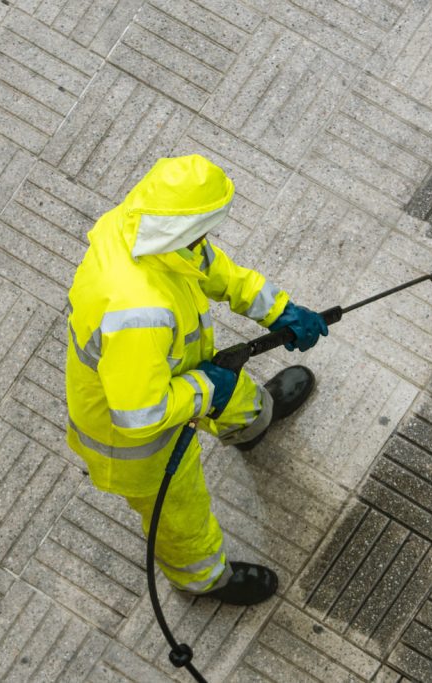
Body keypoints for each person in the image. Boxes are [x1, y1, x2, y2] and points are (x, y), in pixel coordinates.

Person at [65, 155, 327, 605]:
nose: (207, 239)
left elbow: (206, 265)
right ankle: (203, 579)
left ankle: (250, 426)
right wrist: (208, 389)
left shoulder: (144, 229)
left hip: (177, 370)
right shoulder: (137, 313)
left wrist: (274, 307)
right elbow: (140, 413)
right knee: (179, 513)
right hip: (139, 445)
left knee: (237, 394)